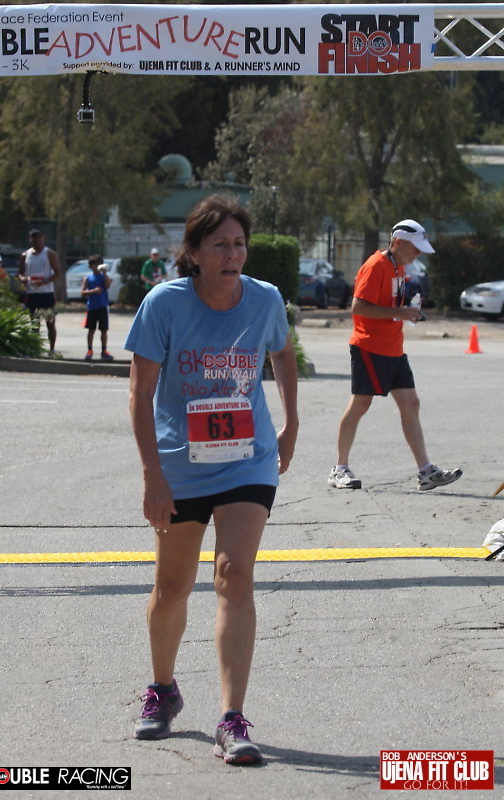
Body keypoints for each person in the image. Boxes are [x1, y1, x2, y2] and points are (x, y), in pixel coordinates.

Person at [125, 195, 299, 765]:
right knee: (172, 586)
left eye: (239, 244)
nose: (232, 254)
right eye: (220, 244)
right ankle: (163, 689)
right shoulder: (164, 304)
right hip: (180, 464)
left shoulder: (265, 299)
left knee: (234, 575)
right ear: (195, 253)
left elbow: (283, 353)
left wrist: (291, 423)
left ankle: (232, 717)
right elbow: (140, 394)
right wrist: (152, 475)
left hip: (247, 458)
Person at [328, 219, 463, 492]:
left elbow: (389, 305)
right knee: (360, 404)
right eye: (415, 248)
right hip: (369, 347)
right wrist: (398, 312)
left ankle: (426, 471)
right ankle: (339, 469)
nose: (419, 254)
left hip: (393, 347)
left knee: (411, 403)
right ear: (398, 243)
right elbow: (358, 307)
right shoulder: (375, 265)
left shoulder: (397, 265)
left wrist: (406, 311)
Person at [19, 228, 61, 357]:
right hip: (32, 294)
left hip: (46, 293)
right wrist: (24, 279)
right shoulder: (25, 255)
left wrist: (44, 281)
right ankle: (34, 350)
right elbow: (20, 273)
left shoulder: (49, 253)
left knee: (50, 322)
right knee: (34, 324)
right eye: (33, 237)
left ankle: (52, 350)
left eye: (38, 237)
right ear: (30, 239)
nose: (36, 240)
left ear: (43, 238)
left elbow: (57, 273)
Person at [81, 255, 114, 361]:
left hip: (103, 306)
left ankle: (104, 351)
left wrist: (105, 273)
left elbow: (108, 286)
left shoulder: (103, 277)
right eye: (95, 264)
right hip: (92, 307)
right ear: (91, 266)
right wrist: (93, 291)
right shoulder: (88, 278)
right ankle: (89, 350)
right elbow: (83, 292)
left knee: (104, 330)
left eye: (99, 264)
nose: (97, 266)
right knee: (91, 330)